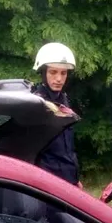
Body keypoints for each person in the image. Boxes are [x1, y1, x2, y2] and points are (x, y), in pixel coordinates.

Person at [31, 42, 81, 186]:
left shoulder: (64, 100)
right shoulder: (36, 104)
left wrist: (75, 177)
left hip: (68, 178)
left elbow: (67, 147)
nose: (59, 79)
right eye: (53, 72)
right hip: (47, 181)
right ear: (43, 73)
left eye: (63, 73)